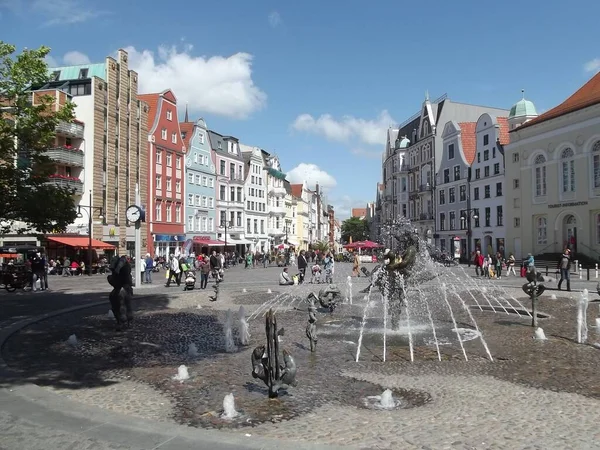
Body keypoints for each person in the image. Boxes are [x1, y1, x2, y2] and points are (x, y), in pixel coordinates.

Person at [107, 255, 134, 330]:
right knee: (124, 305)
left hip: (122, 288)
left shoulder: (122, 269)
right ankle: (126, 321)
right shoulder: (124, 269)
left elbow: (115, 281)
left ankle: (121, 321)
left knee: (121, 305)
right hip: (123, 288)